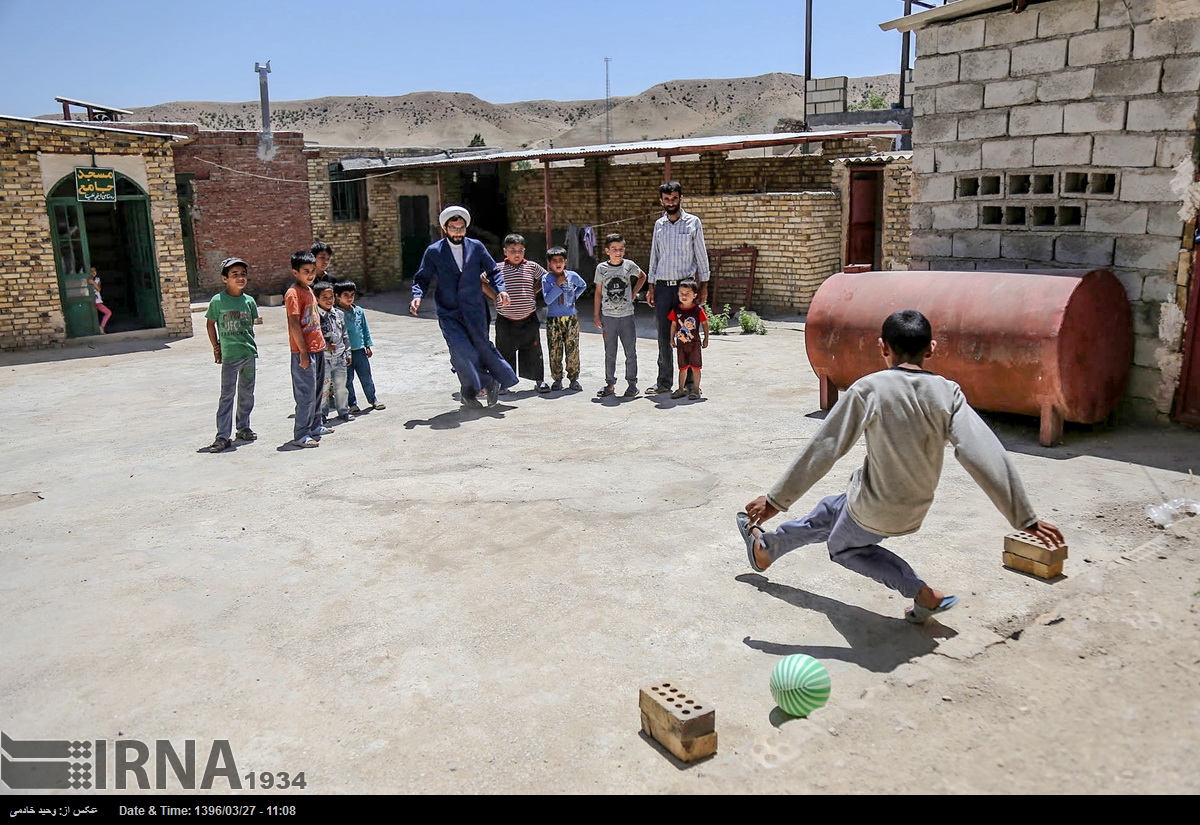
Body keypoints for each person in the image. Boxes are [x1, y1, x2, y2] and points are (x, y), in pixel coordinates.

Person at [737, 309, 1064, 623]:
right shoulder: (949, 393)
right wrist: (1024, 517)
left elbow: (825, 448)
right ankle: (767, 548)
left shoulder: (869, 389)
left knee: (842, 546)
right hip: (912, 508)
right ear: (931, 349)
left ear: (883, 347)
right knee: (831, 510)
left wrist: (776, 500)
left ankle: (921, 593)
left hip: (875, 510)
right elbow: (985, 453)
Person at [410, 206, 518, 409]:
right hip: (449, 311)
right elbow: (422, 277)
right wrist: (417, 296)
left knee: (481, 347)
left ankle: (468, 394)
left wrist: (501, 290)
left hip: (475, 309)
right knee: (461, 351)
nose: (458, 232)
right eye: (454, 228)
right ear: (445, 228)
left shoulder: (476, 247)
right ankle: (488, 380)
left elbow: (493, 271)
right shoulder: (434, 251)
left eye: (461, 228)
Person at [646, 181, 709, 395]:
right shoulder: (659, 225)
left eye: (674, 198)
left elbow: (701, 254)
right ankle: (664, 382)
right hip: (663, 288)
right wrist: (651, 286)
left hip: (686, 289)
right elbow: (654, 256)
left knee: (688, 335)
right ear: (661, 201)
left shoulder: (693, 223)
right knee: (664, 335)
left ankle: (691, 383)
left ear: (680, 198)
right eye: (666, 199)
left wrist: (704, 285)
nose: (670, 202)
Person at [203, 257, 261, 452]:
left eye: (243, 274)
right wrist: (216, 347)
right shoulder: (218, 301)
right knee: (227, 395)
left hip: (249, 354)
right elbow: (210, 324)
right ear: (224, 278)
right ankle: (222, 436)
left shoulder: (249, 301)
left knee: (247, 393)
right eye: (235, 275)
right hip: (230, 357)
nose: (240, 278)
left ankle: (243, 427)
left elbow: (250, 325)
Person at [490, 234, 550, 394]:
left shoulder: (531, 266)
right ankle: (504, 383)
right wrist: (494, 295)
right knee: (504, 351)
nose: (517, 254)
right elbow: (482, 281)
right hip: (505, 319)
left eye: (520, 251)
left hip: (528, 318)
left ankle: (539, 381)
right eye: (512, 250)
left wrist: (533, 290)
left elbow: (546, 278)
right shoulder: (497, 268)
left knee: (534, 350)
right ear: (505, 251)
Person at [593, 233, 646, 398]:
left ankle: (632, 384)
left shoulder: (629, 266)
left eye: (621, 249)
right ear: (607, 251)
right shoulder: (602, 268)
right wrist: (596, 316)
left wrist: (634, 293)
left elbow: (642, 276)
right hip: (608, 317)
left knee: (630, 351)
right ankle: (610, 383)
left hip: (627, 316)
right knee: (610, 352)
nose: (618, 252)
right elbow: (598, 293)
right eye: (614, 249)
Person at [285, 250, 329, 448]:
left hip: (318, 348)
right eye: (305, 271)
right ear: (295, 272)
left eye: (312, 270)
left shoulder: (310, 290)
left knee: (319, 390)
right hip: (304, 352)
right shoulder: (293, 293)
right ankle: (301, 433)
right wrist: (303, 352)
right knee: (306, 394)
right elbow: (294, 324)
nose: (310, 275)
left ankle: (315, 425)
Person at [541, 246, 587, 392]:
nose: (558, 263)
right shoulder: (547, 279)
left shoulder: (572, 275)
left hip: (571, 318)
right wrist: (558, 284)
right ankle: (557, 379)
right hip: (553, 320)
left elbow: (583, 285)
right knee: (555, 349)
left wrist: (573, 297)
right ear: (549, 263)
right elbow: (547, 300)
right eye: (554, 261)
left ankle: (573, 379)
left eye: (561, 260)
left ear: (565, 262)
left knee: (572, 349)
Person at [334, 280, 385, 413]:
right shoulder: (335, 314)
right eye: (346, 294)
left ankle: (373, 399)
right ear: (337, 296)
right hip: (345, 353)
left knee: (366, 377)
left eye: (352, 294)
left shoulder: (359, 311)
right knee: (348, 380)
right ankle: (352, 404)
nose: (349, 297)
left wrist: (368, 345)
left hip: (360, 351)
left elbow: (364, 329)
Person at [315, 281, 354, 423]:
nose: (328, 300)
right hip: (323, 359)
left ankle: (343, 411)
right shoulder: (315, 317)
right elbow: (313, 335)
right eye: (324, 297)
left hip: (340, 357)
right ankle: (322, 415)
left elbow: (345, 335)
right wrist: (325, 346)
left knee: (341, 387)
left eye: (331, 297)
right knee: (324, 389)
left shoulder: (338, 314)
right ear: (317, 299)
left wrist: (348, 353)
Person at [668, 279, 708, 400]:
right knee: (682, 368)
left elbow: (705, 324)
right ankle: (681, 389)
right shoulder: (676, 310)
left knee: (696, 368)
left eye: (687, 293)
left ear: (694, 295)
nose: (684, 296)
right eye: (681, 293)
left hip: (695, 344)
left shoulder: (698, 310)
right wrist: (672, 339)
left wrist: (706, 338)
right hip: (681, 345)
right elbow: (674, 325)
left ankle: (696, 390)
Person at [91, 266, 112, 333]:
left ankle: (101, 327)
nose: (93, 272)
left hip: (97, 301)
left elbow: (99, 289)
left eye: (95, 271)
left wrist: (93, 283)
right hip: (89, 301)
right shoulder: (86, 279)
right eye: (91, 271)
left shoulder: (97, 279)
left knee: (108, 312)